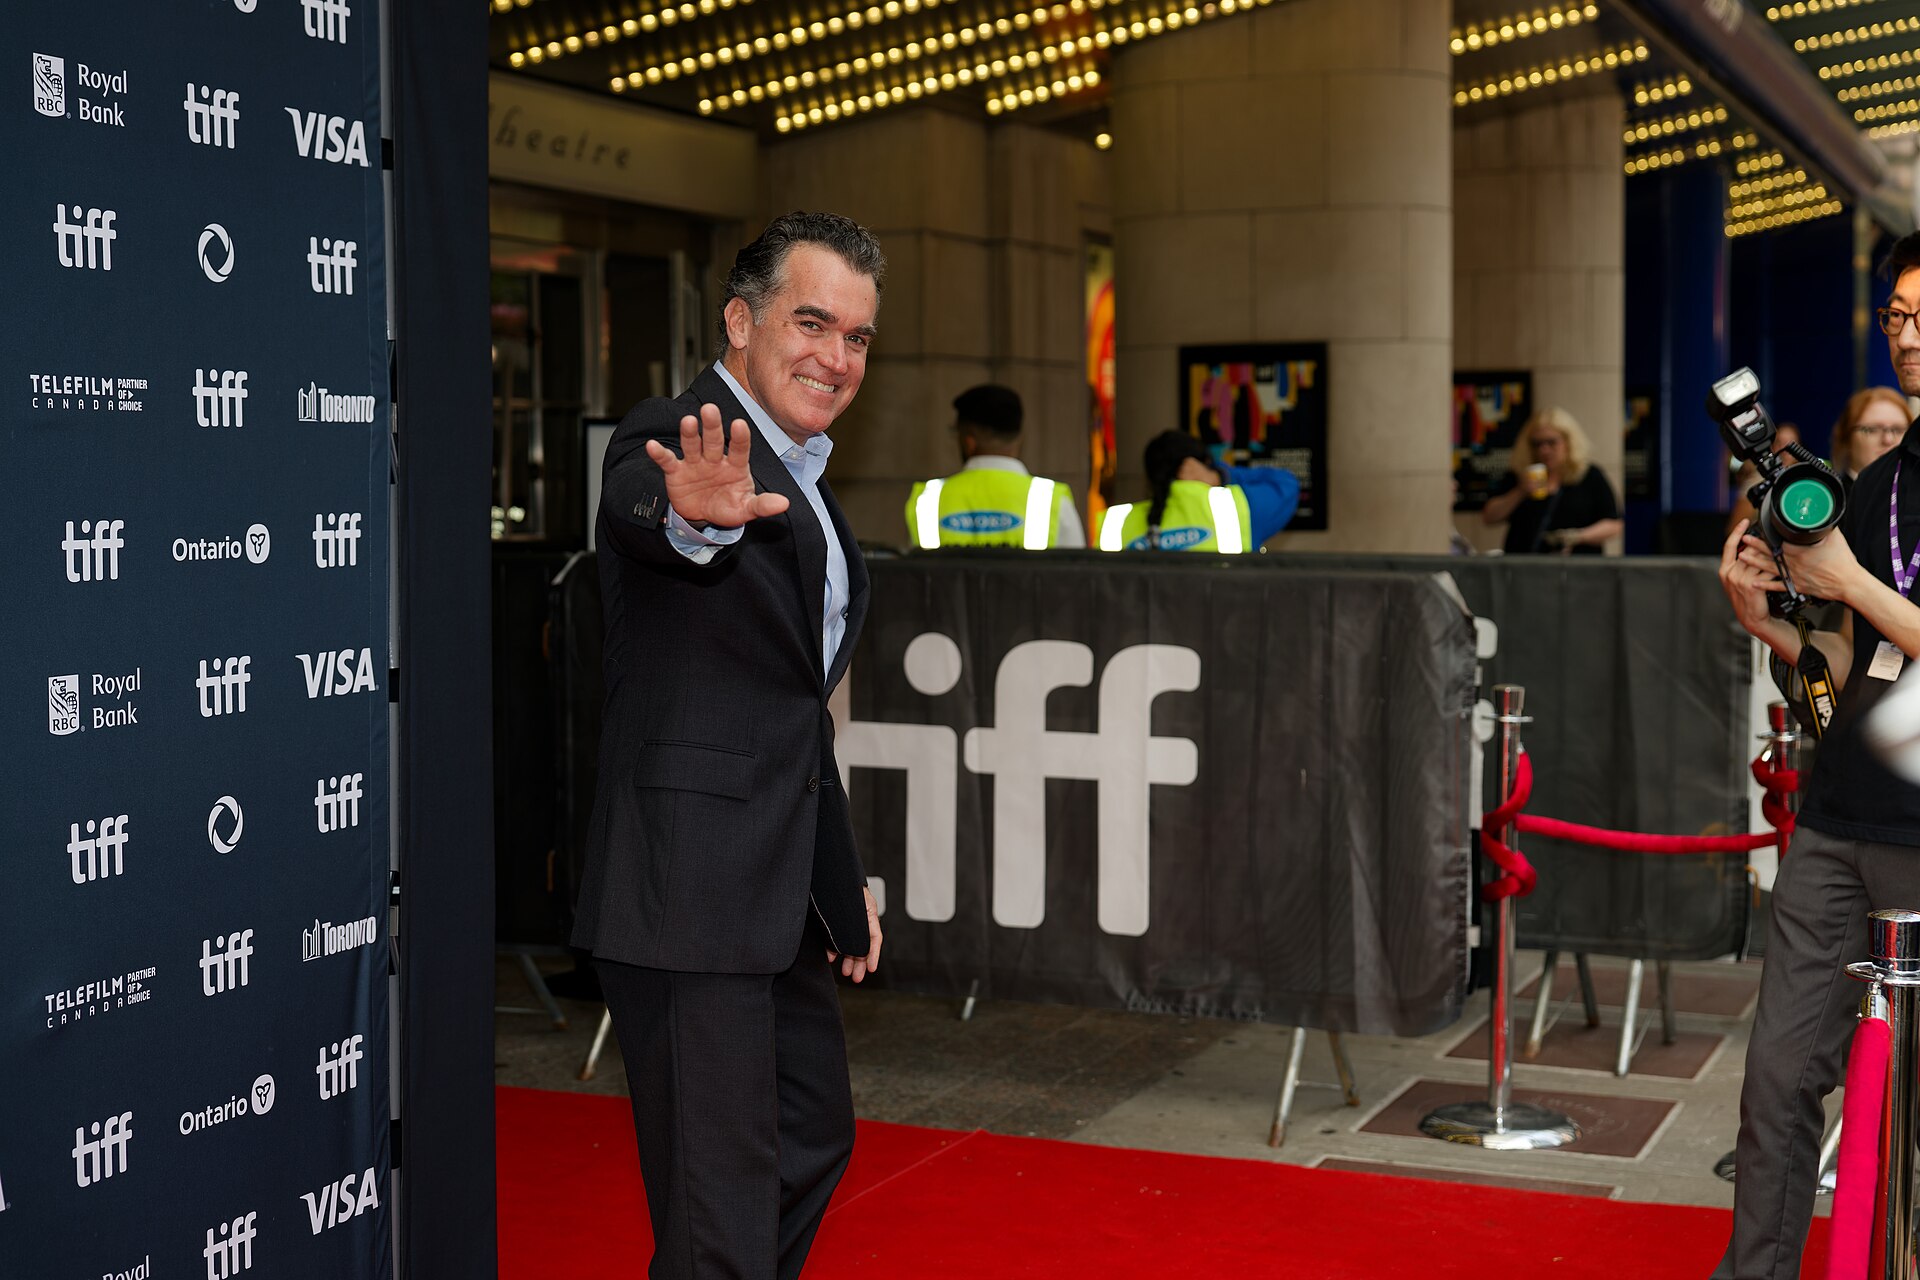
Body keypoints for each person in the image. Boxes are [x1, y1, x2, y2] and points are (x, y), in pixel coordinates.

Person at [571, 211, 887, 1280]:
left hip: (774, 898)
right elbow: (642, 510)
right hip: (685, 894)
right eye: (812, 322)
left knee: (810, 1137)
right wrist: (690, 518)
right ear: (741, 320)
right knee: (721, 1212)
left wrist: (843, 889)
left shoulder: (809, 482)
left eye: (856, 337)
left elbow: (795, 714)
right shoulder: (676, 430)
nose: (835, 357)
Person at [1714, 230, 1920, 1280]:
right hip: (1841, 819)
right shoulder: (1878, 485)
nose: (1908, 336)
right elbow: (1848, 666)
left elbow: (1872, 605)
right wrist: (1767, 620)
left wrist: (1848, 581)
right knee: (1779, 1075)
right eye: (1895, 316)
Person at [904, 383, 1086, 548]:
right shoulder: (1051, 500)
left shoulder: (928, 500)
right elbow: (1076, 578)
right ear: (1019, 439)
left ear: (968, 442)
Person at [1097, 429, 1299, 552]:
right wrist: (1219, 476)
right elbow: (1287, 485)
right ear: (1201, 464)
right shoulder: (1234, 510)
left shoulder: (1113, 523)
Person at [1479, 407, 1623, 554]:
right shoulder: (1520, 474)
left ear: (1568, 442)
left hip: (1577, 566)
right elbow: (1489, 517)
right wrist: (1520, 491)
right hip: (1525, 564)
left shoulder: (1588, 475)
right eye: (1537, 444)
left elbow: (1614, 524)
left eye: (1551, 442)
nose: (1544, 450)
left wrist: (1577, 536)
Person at [1723, 421, 1801, 537]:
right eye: (1780, 443)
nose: (1786, 450)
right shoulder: (1757, 481)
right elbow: (1734, 529)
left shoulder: (1802, 480)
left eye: (1791, 444)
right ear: (1772, 447)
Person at [1832, 384, 1912, 482]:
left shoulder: (1912, 493)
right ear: (1847, 439)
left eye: (1898, 430)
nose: (1888, 440)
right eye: (1872, 430)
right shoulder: (1832, 495)